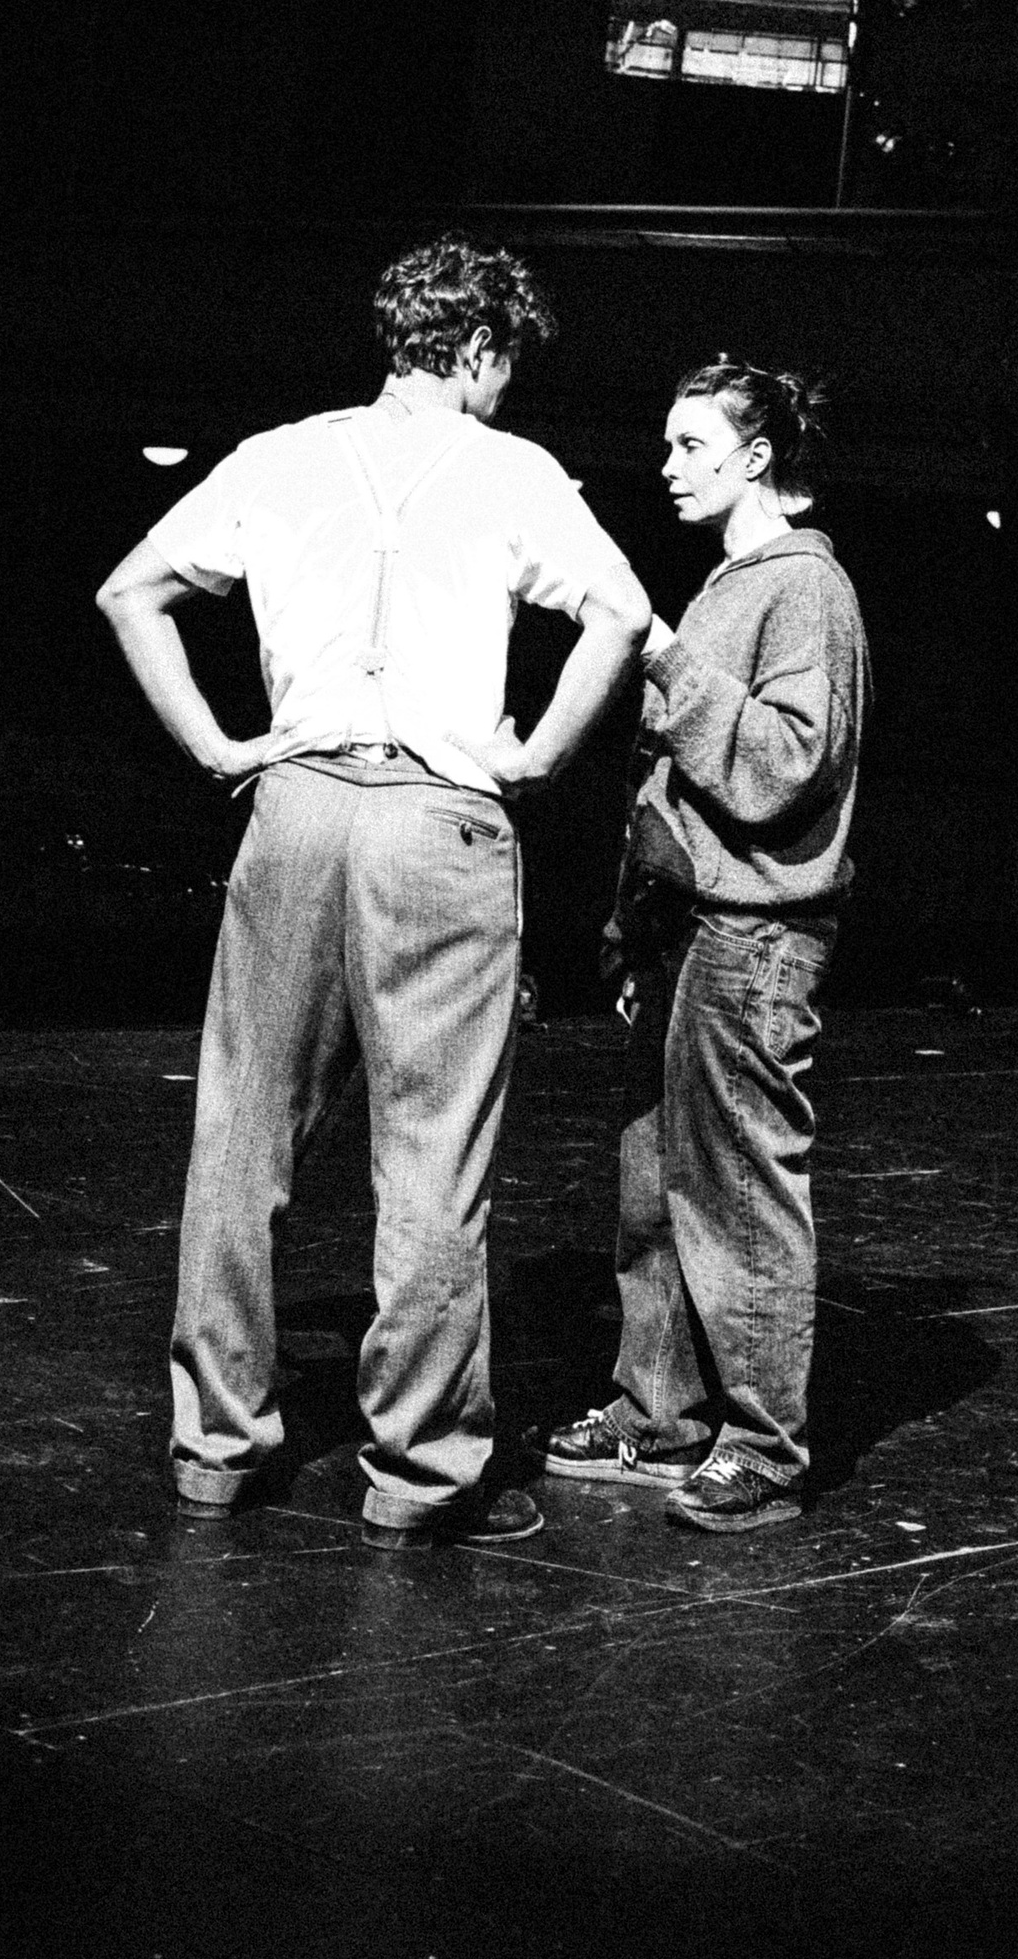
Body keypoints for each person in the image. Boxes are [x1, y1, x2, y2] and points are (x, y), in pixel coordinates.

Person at [96, 233, 650, 1550]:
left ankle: (216, 1448)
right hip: (438, 820)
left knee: (242, 1140)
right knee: (431, 1157)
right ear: (479, 349)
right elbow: (620, 617)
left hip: (293, 810)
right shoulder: (512, 472)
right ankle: (417, 1472)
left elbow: (132, 590)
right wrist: (535, 755)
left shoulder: (287, 453)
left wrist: (222, 748)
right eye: (506, 362)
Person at [545, 358, 869, 1533]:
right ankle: (656, 1407)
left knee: (737, 1187)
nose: (668, 466)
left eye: (690, 445)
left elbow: (784, 761)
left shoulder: (804, 590)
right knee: (652, 1180)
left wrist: (667, 655)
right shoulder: (741, 580)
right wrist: (630, 924)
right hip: (687, 927)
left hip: (755, 928)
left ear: (755, 455)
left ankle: (765, 1446)